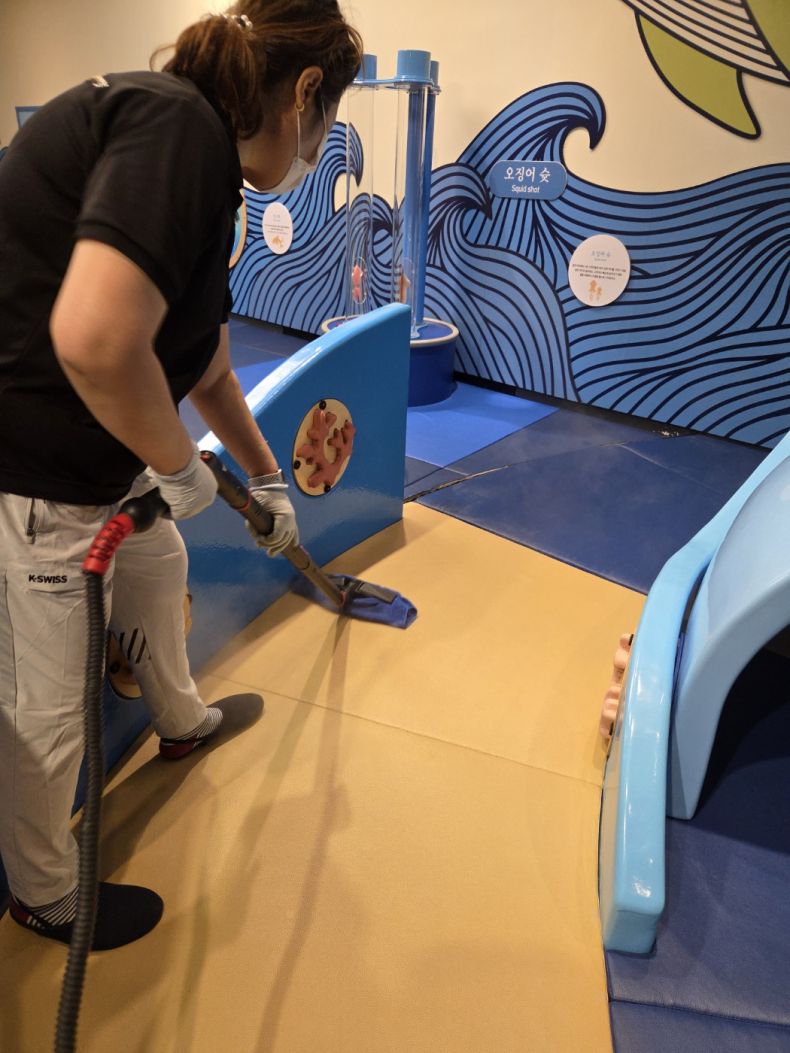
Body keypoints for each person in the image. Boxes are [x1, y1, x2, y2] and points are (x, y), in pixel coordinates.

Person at [0, 1, 363, 951]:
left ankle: (179, 718)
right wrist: (174, 460)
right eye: (326, 121)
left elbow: (202, 361)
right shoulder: (178, 132)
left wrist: (264, 478)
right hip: (37, 465)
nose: (317, 148)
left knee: (158, 561)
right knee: (51, 705)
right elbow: (95, 338)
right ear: (305, 91)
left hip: (102, 445)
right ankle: (42, 889)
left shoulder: (199, 160)